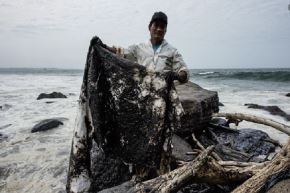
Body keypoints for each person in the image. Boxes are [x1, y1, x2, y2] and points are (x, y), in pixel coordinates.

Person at [91, 11, 189, 84]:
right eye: (156, 25)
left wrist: (176, 75)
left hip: (163, 94)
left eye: (162, 27)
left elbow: (184, 71)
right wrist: (103, 46)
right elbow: (121, 53)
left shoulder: (172, 51)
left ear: (165, 30)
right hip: (143, 93)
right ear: (149, 27)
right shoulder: (138, 48)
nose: (159, 29)